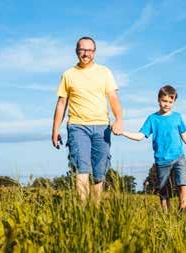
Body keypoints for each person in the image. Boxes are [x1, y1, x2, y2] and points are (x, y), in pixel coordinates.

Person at [51, 36, 123, 204]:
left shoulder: (104, 72)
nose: (86, 54)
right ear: (77, 51)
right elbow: (62, 103)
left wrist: (119, 119)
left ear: (94, 52)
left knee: (99, 173)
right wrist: (55, 130)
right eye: (82, 50)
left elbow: (113, 97)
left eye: (89, 50)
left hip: (102, 127)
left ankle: (95, 211)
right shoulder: (68, 74)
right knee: (82, 169)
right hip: (77, 127)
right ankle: (82, 212)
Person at [121, 85, 186, 213]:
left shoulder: (177, 117)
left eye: (170, 101)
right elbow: (140, 136)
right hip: (162, 160)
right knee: (164, 190)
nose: (167, 104)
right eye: (164, 101)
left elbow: (185, 135)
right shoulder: (152, 119)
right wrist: (123, 132)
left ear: (174, 102)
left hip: (178, 156)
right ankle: (166, 215)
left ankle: (183, 208)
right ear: (158, 100)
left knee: (184, 181)